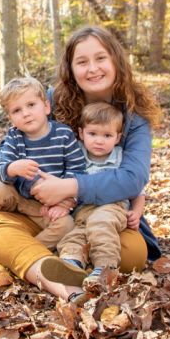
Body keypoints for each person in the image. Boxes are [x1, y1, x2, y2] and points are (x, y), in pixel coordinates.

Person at [0, 26, 162, 303]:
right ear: (70, 69)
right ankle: (63, 279)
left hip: (101, 215)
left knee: (133, 253)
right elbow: (16, 140)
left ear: (116, 61)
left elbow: (133, 178)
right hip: (45, 212)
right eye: (82, 62)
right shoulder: (52, 100)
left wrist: (69, 188)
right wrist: (27, 180)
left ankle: (49, 260)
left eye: (101, 58)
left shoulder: (134, 118)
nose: (93, 69)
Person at [0, 77, 85, 249]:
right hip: (18, 198)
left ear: (46, 107)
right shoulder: (14, 137)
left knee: (66, 225)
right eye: (17, 110)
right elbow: (0, 168)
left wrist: (65, 202)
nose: (26, 113)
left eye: (31, 105)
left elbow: (77, 169)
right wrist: (12, 168)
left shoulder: (64, 134)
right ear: (10, 118)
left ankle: (29, 250)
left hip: (48, 207)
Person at [41, 101, 147, 289]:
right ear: (81, 133)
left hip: (112, 208)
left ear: (117, 137)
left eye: (107, 135)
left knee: (101, 225)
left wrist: (136, 213)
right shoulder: (76, 154)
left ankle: (105, 269)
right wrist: (61, 204)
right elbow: (64, 183)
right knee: (75, 235)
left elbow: (137, 191)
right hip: (83, 211)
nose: (99, 141)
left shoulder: (120, 157)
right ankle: (71, 264)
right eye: (92, 134)